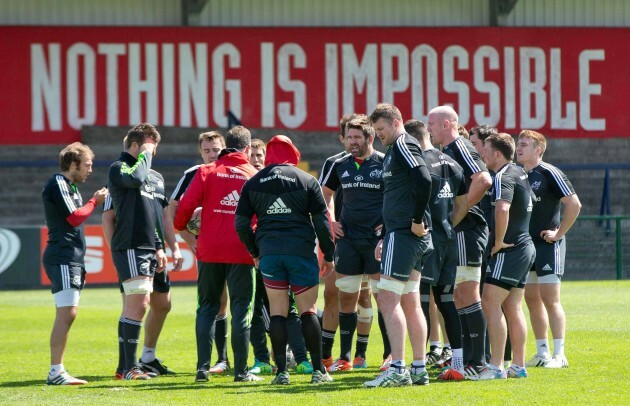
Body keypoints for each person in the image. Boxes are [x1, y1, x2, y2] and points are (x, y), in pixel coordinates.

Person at [236, 135, 335, 385]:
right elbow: (323, 222)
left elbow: (241, 224)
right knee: (308, 312)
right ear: (293, 153)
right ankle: (317, 372)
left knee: (278, 312)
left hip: (270, 254)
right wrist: (329, 254)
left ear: (269, 154)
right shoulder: (306, 180)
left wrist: (255, 251)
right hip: (301, 253)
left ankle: (281, 373)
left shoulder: (254, 181)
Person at [174, 125, 260, 383]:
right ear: (247, 149)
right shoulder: (253, 174)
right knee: (241, 310)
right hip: (242, 251)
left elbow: (181, 211)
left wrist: (186, 231)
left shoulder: (205, 172)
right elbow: (261, 217)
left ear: (224, 148)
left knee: (207, 308)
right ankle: (242, 372)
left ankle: (202, 369)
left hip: (209, 250)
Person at [363, 103, 433, 388]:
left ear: (396, 121)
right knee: (410, 300)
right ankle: (418, 368)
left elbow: (424, 178)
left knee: (387, 299)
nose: (379, 135)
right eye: (376, 131)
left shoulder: (404, 143)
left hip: (404, 234)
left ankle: (398, 368)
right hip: (404, 235)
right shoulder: (396, 149)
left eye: (381, 129)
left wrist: (417, 220)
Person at [103, 137, 183, 378]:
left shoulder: (156, 177)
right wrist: (116, 251)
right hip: (131, 246)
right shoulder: (120, 169)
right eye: (152, 147)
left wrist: (172, 246)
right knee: (138, 305)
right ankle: (127, 368)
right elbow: (108, 217)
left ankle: (146, 359)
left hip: (154, 248)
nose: (154, 152)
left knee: (162, 304)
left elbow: (163, 216)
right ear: (138, 145)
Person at [427, 106, 492, 378]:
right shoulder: (447, 152)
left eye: (431, 124)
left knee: (467, 293)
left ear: (445, 124)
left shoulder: (460, 146)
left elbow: (484, 179)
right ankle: (467, 359)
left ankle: (479, 361)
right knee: (457, 295)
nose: (428, 129)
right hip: (458, 232)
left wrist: (458, 213)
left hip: (467, 229)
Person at [404, 120, 469, 381]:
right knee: (445, 300)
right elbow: (463, 203)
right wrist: (447, 225)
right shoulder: (453, 164)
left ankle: (418, 363)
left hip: (426, 242)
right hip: (448, 239)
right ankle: (458, 362)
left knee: (418, 300)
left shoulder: (417, 165)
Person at [320, 116, 384, 372]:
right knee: (347, 298)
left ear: (370, 138)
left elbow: (396, 196)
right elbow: (324, 195)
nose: (353, 141)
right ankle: (345, 357)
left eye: (358, 137)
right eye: (349, 137)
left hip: (376, 241)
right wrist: (331, 221)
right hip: (347, 241)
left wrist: (387, 225)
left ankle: (390, 356)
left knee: (383, 299)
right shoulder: (338, 164)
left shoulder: (384, 162)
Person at [42, 143, 108, 385]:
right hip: (62, 256)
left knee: (69, 312)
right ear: (72, 164)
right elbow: (74, 218)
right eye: (87, 165)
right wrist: (95, 201)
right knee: (67, 312)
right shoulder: (58, 183)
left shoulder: (69, 186)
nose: (90, 170)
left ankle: (57, 370)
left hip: (70, 257)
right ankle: (56, 372)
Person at [247, 139, 314, 375]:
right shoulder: (249, 182)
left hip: (268, 254)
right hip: (260, 255)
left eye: (260, 155)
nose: (256, 159)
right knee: (257, 311)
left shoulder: (260, 182)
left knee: (286, 311)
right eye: (252, 155)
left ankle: (296, 358)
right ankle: (263, 359)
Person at [167, 131, 231, 375]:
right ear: (200, 152)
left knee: (246, 302)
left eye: (215, 149)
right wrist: (190, 239)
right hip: (209, 247)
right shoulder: (193, 174)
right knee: (218, 301)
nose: (212, 154)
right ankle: (222, 359)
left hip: (237, 245)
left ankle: (263, 358)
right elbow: (173, 209)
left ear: (223, 148)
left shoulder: (233, 170)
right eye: (207, 150)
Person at [473, 132, 536, 380]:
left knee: (490, 302)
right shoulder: (520, 172)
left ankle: (496, 366)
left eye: (486, 151)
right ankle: (518, 366)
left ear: (497, 154)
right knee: (512, 305)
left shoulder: (502, 176)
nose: (482, 155)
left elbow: (502, 207)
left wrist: (498, 242)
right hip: (524, 247)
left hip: (509, 249)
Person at [517, 130, 581, 369]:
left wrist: (559, 233)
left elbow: (574, 204)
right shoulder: (519, 174)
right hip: (527, 246)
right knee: (531, 298)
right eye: (518, 144)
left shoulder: (550, 172)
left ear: (538, 150)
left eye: (525, 144)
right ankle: (542, 352)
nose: (519, 148)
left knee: (550, 299)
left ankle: (560, 355)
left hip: (547, 244)